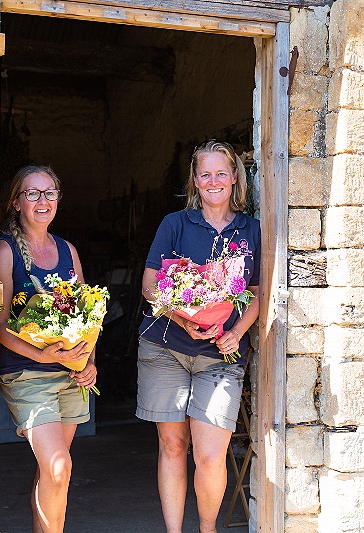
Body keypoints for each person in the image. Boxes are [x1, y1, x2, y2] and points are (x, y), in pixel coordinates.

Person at [137, 140, 261, 533]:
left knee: (210, 456)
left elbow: (257, 295)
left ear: (234, 178)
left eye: (221, 172)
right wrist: (182, 318)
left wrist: (236, 333)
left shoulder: (251, 230)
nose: (213, 181)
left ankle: (206, 530)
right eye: (205, 173)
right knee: (174, 447)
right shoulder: (175, 224)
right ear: (194, 180)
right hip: (166, 349)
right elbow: (149, 286)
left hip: (219, 357)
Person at [0, 165, 97, 533]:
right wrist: (41, 355)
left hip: (70, 373)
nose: (43, 201)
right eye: (33, 193)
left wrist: (90, 362)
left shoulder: (68, 250)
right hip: (27, 373)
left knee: (53, 472)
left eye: (50, 192)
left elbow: (89, 314)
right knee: (58, 467)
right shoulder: (5, 250)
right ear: (16, 202)